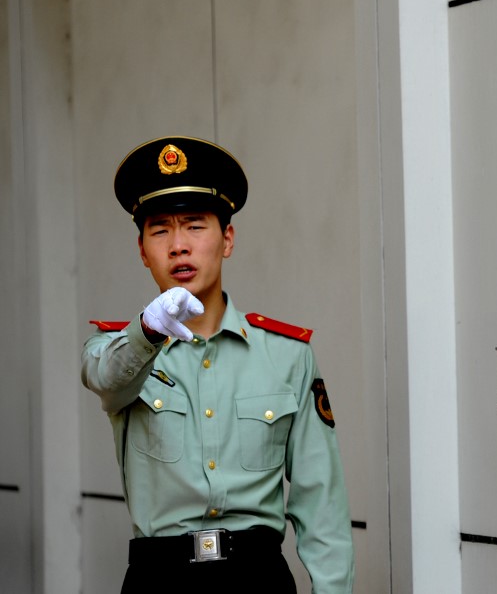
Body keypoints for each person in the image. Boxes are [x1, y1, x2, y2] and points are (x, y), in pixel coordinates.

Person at [81, 136, 354, 593]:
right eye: (160, 230)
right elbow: (105, 378)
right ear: (142, 250)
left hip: (258, 577)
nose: (178, 246)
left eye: (194, 226)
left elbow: (321, 504)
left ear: (227, 239)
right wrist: (148, 330)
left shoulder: (287, 355)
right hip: (159, 579)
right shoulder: (119, 350)